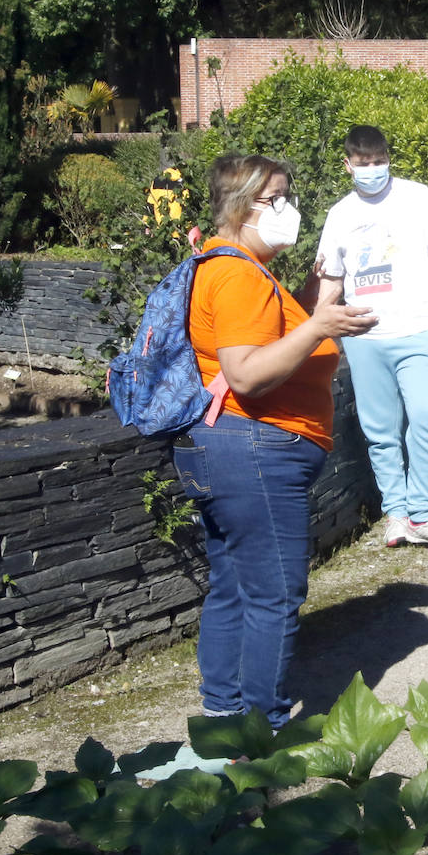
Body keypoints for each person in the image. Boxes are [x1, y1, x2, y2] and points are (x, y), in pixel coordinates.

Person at [172, 154, 378, 731]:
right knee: (274, 594)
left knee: (236, 586)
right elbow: (246, 373)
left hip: (236, 448)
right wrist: (320, 326)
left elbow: (262, 344)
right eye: (277, 199)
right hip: (254, 448)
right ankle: (259, 731)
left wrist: (310, 301)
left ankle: (224, 717)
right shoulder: (237, 274)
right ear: (241, 206)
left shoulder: (234, 268)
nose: (289, 210)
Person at [318, 125, 428, 552]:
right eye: (363, 164)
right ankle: (397, 515)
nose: (373, 170)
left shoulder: (417, 197)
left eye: (379, 161)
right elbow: (331, 282)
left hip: (421, 330)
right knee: (381, 431)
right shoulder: (340, 214)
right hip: (367, 336)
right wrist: (314, 330)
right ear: (347, 165)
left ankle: (423, 512)